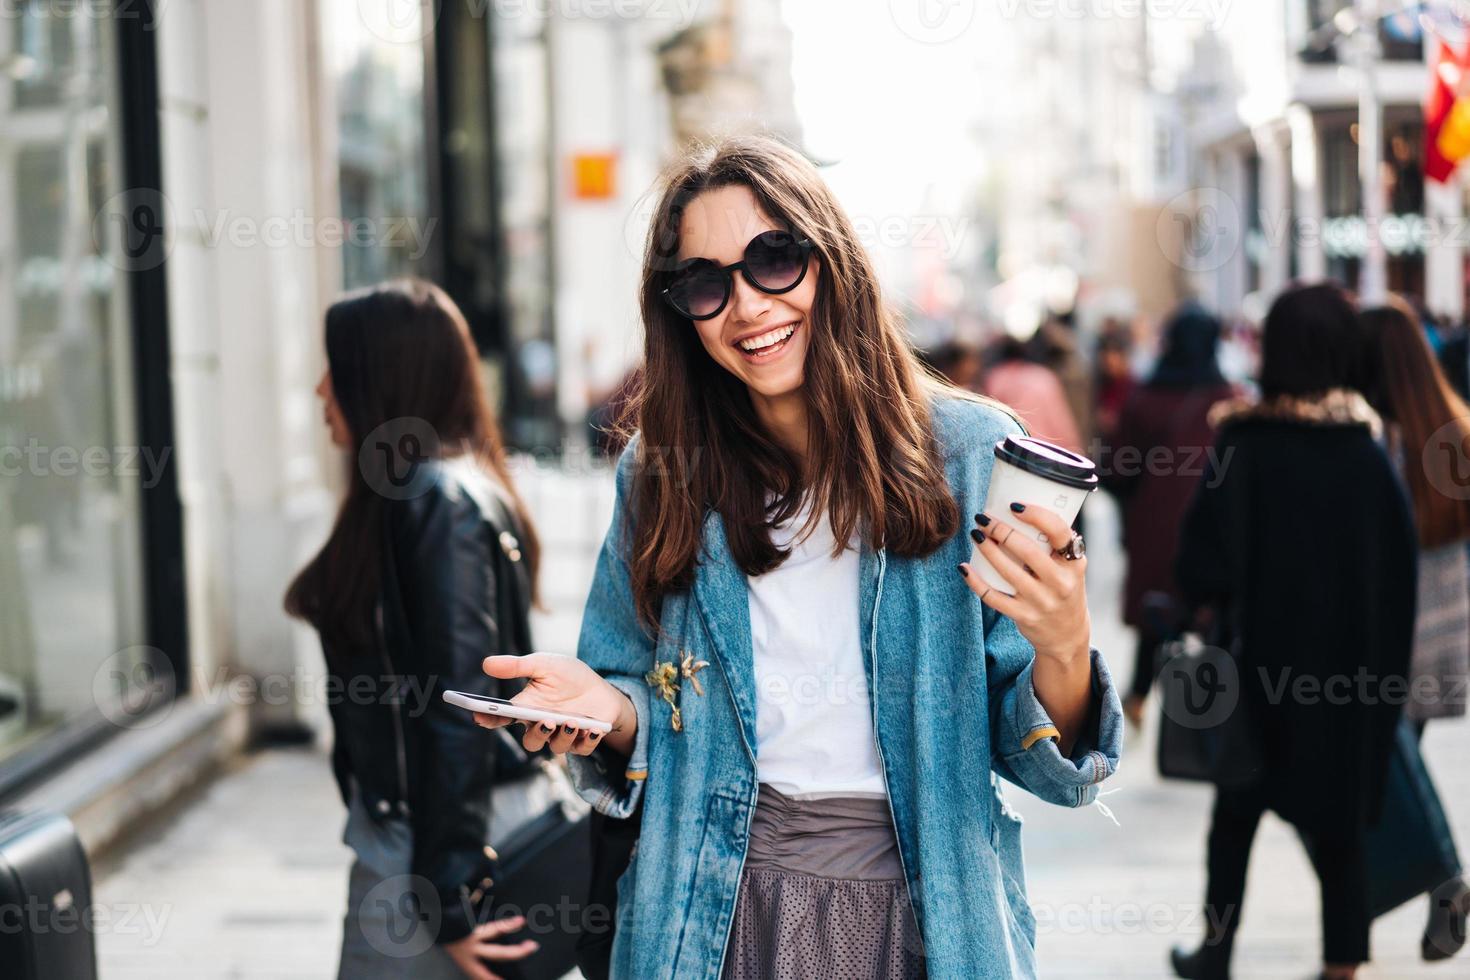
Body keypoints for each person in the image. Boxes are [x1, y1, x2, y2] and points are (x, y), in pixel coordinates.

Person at [473, 136, 1123, 978]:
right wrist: (604, 707)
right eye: (706, 282)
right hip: (707, 911)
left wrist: (1065, 641)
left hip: (929, 916)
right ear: (680, 311)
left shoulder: (968, 455)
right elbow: (637, 694)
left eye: (774, 259)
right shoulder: (661, 472)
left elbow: (1048, 763)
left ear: (831, 261)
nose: (745, 306)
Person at [285, 279, 543, 980]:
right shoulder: (441, 492)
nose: (319, 389)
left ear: (379, 380)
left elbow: (462, 703)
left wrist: (449, 898)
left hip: (430, 855)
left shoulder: (435, 501)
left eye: (336, 367)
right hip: (427, 841)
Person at [1170, 283, 1418, 980]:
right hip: (1346, 679)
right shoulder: (1366, 458)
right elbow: (1397, 581)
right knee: (1339, 830)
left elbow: (1199, 563)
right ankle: (1345, 963)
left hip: (1254, 675)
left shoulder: (1244, 444)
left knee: (1234, 824)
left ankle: (1216, 951)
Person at [1359, 299, 1470, 960]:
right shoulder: (1452, 427)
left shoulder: (1379, 442)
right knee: (1400, 762)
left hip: (1389, 635)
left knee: (1387, 769)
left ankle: (1442, 881)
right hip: (1447, 631)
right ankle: (1431, 891)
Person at [1103, 304, 1237, 727]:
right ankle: (1215, 706)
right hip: (1217, 528)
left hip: (1155, 526)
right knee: (1215, 614)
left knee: (1156, 612)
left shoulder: (1145, 399)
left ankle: (1140, 695)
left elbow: (1116, 469)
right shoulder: (1230, 401)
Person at [980, 333, 1084, 453]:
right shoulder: (1044, 377)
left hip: (1008, 453)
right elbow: (1060, 423)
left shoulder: (994, 379)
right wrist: (1075, 451)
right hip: (1045, 454)